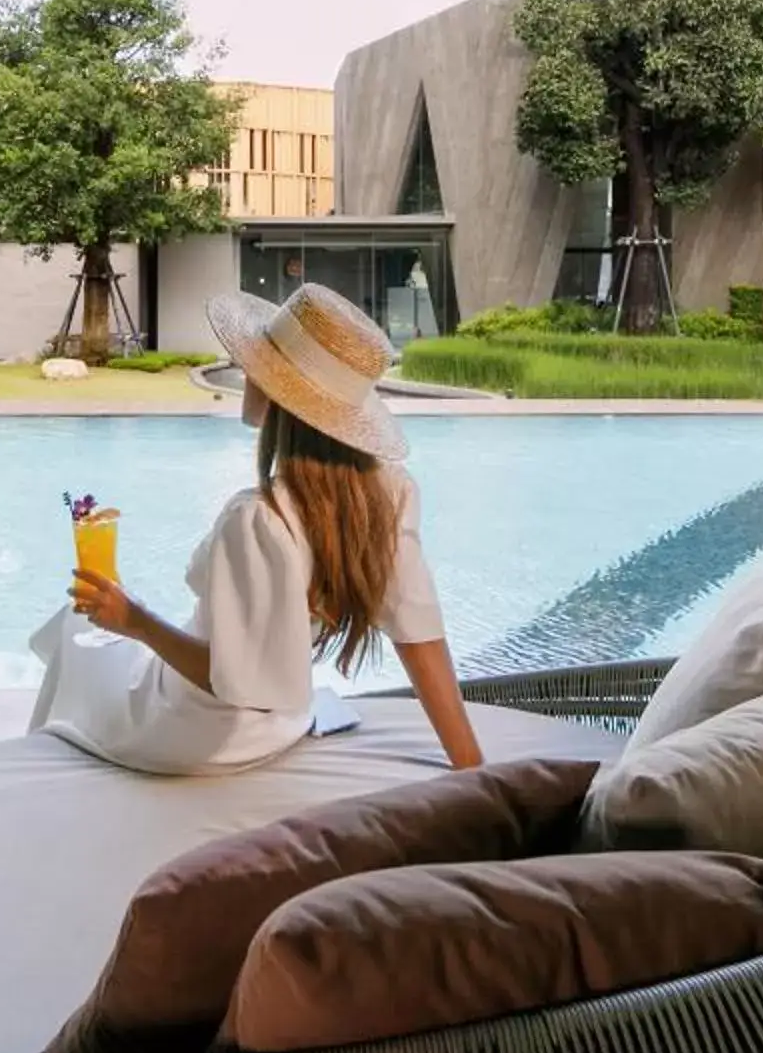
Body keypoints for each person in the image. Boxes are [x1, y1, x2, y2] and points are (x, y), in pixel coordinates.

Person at [32, 284, 484, 774]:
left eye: (256, 365)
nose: (246, 373)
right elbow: (418, 633)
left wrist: (134, 620)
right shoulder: (388, 497)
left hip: (194, 731)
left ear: (277, 393)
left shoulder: (257, 520)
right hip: (280, 726)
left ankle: (37, 780)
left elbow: (230, 680)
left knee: (74, 632)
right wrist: (471, 764)